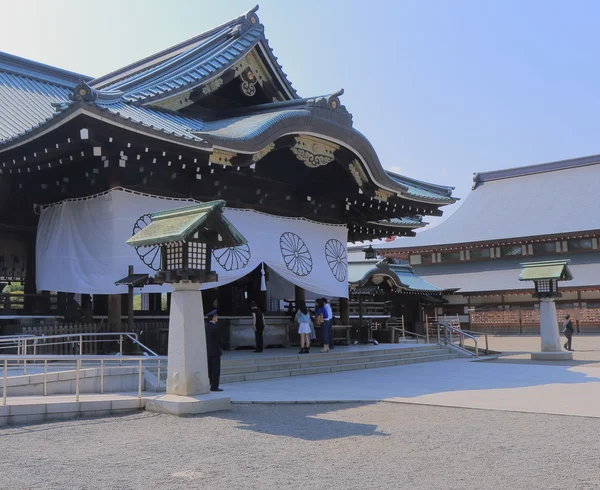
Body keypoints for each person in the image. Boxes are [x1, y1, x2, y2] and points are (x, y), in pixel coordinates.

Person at [205, 309, 223, 391]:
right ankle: (214, 386)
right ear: (213, 317)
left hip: (208, 350)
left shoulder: (206, 326)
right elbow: (219, 339)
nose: (217, 317)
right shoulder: (215, 327)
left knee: (209, 368)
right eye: (216, 316)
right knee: (216, 369)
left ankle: (209, 384)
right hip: (215, 350)